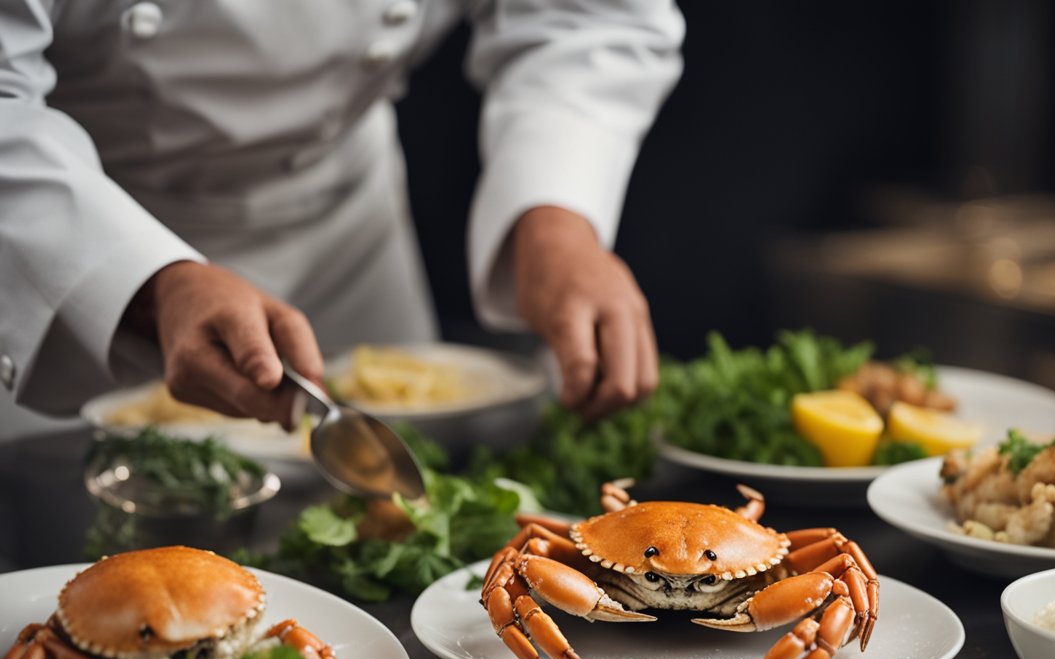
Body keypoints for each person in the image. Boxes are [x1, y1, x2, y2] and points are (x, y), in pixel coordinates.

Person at [0, 0, 684, 431]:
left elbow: (588, 14)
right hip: (70, 241)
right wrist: (151, 283)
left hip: (345, 227)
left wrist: (557, 220)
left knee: (387, 548)